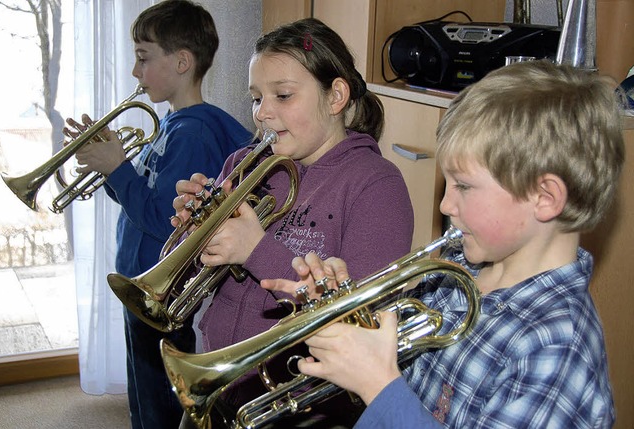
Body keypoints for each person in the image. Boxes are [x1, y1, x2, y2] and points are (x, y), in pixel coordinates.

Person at [262, 59, 625, 428]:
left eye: (464, 186)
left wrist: (378, 385)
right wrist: (348, 312)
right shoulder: (461, 266)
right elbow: (405, 361)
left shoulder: (556, 349)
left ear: (545, 198)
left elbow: (389, 389)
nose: (445, 204)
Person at [172, 17, 414, 428]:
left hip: (301, 404)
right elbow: (190, 283)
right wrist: (193, 240)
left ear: (336, 95)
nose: (263, 113)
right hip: (216, 382)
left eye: (282, 95)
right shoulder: (244, 165)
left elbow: (360, 317)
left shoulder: (376, 185)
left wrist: (256, 250)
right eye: (255, 98)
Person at [66, 1, 252, 428]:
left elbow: (160, 220)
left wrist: (117, 167)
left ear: (182, 62)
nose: (135, 71)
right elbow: (141, 199)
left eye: (143, 58)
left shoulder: (194, 133)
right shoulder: (168, 125)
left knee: (158, 402)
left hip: (164, 295)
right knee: (141, 389)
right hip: (141, 284)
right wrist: (111, 166)